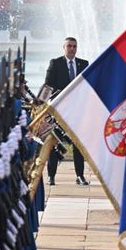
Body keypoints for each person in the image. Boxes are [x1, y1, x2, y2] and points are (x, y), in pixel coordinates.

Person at [44, 37, 89, 185]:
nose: (72, 49)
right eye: (69, 46)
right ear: (64, 47)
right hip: (59, 111)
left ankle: (80, 175)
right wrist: (41, 103)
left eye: (74, 46)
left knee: (78, 144)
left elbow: (88, 87)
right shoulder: (55, 63)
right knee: (55, 143)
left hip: (77, 112)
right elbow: (48, 85)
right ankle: (51, 175)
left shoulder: (84, 64)